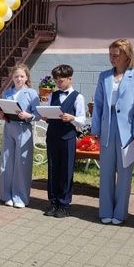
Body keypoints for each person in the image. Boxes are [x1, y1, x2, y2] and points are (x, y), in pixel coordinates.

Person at [91, 39, 134, 225]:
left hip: (128, 130)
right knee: (106, 172)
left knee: (124, 174)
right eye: (110, 54)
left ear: (127, 56)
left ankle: (120, 213)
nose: (112, 58)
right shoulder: (104, 76)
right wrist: (95, 128)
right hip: (107, 127)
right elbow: (98, 104)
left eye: (116, 55)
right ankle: (105, 210)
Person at [43, 64, 86, 218]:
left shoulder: (78, 97)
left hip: (68, 137)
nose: (58, 84)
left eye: (61, 81)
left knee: (66, 171)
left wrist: (72, 118)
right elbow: (47, 112)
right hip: (52, 136)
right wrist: (45, 116)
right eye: (56, 81)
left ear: (69, 79)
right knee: (53, 169)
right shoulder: (52, 96)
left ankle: (64, 204)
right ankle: (53, 202)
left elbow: (82, 120)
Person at [0, 62, 39, 208]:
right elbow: (1, 110)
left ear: (26, 77)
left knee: (22, 163)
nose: (19, 79)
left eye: (21, 76)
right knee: (6, 161)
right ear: (12, 78)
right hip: (9, 128)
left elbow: (38, 114)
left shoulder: (31, 93)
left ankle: (20, 197)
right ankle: (6, 195)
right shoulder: (7, 92)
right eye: (16, 76)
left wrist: (29, 115)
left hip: (24, 129)